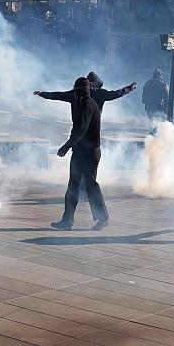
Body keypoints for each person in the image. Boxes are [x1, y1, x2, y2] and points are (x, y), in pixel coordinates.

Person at [49, 77, 109, 231]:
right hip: (81, 153)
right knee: (73, 185)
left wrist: (66, 146)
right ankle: (67, 221)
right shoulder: (84, 103)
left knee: (90, 185)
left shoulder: (88, 105)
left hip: (89, 154)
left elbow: (80, 130)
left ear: (78, 91)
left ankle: (102, 218)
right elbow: (59, 96)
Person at [34, 72, 136, 114]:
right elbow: (116, 94)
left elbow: (58, 95)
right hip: (93, 127)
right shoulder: (101, 93)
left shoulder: (75, 93)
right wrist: (129, 88)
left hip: (78, 128)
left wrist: (42, 94)